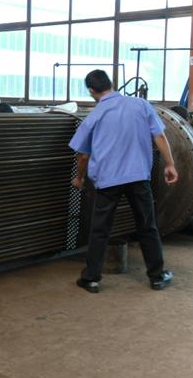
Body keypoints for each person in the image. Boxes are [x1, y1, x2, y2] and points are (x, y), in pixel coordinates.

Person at [69, 70, 178, 293]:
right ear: (111, 84)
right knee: (147, 226)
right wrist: (170, 164)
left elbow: (83, 156)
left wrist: (79, 178)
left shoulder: (94, 116)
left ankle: (91, 279)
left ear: (91, 90)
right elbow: (159, 135)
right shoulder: (141, 105)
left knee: (100, 230)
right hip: (138, 176)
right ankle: (157, 277)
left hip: (107, 180)